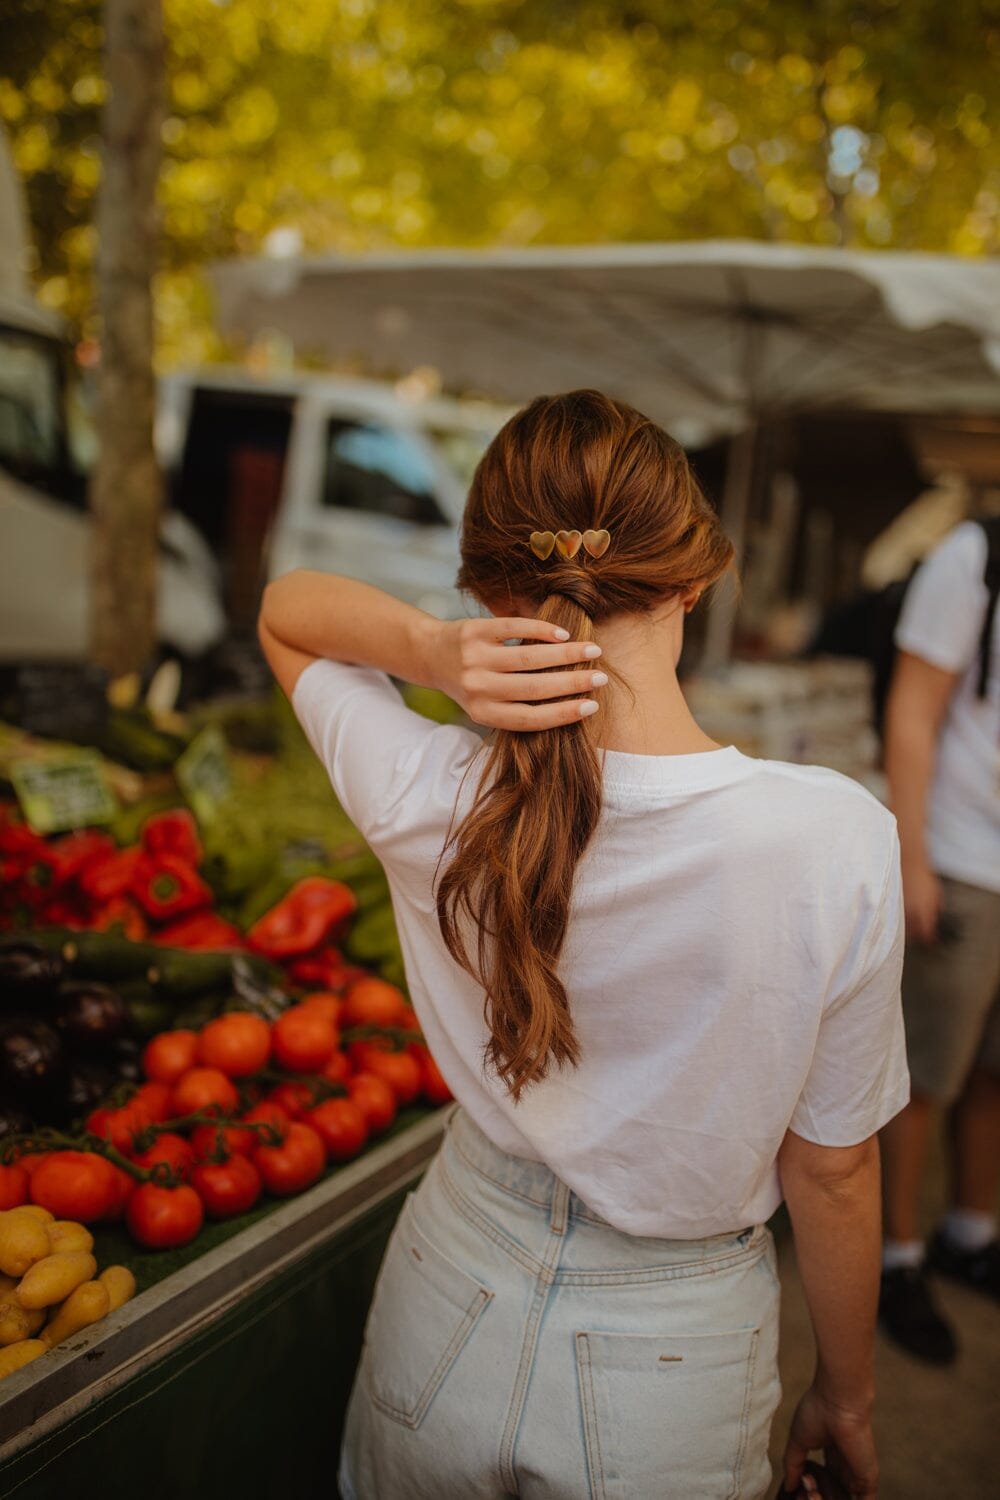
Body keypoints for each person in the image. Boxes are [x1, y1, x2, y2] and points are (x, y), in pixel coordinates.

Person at [259, 392, 908, 1500]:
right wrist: (844, 1397)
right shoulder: (833, 838)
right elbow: (833, 1169)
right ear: (693, 578)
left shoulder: (422, 788)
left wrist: (429, 651)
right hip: (676, 1358)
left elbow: (286, 609)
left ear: (485, 592)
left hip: (444, 1291)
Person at [878, 518, 1000, 1364]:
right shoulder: (973, 557)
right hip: (962, 861)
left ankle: (969, 1231)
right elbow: (913, 708)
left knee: (994, 1069)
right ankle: (897, 1256)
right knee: (921, 1073)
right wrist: (912, 857)